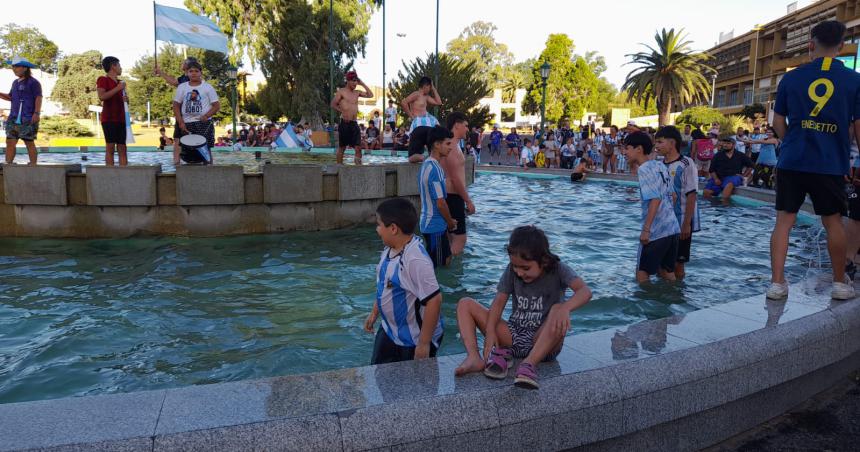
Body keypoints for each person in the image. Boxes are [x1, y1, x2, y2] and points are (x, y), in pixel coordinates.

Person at [768, 20, 858, 301]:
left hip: (793, 159)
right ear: (841, 46)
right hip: (830, 162)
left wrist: (789, 141)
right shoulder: (854, 80)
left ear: (811, 44)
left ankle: (776, 284)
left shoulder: (791, 78)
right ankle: (840, 283)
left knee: (784, 222)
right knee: (833, 222)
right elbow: (857, 127)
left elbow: (778, 121)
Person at [453, 225, 592, 389]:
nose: (519, 273)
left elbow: (585, 291)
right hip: (513, 336)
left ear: (544, 260)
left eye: (525, 268)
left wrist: (565, 308)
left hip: (544, 341)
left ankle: (528, 365)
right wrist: (490, 332)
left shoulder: (558, 269)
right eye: (515, 267)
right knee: (465, 304)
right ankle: (474, 357)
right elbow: (498, 302)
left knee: (557, 309)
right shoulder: (513, 270)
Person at [363, 197, 444, 364]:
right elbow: (384, 286)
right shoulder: (389, 250)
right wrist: (374, 313)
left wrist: (423, 344)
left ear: (393, 228)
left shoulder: (415, 260)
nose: (377, 230)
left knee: (414, 384)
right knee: (378, 375)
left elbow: (434, 300)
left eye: (379, 225)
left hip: (414, 338)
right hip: (389, 331)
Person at [623, 131, 680, 283]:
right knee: (667, 273)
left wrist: (646, 229)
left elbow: (655, 198)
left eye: (627, 148)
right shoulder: (660, 165)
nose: (624, 152)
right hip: (672, 228)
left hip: (656, 232)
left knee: (642, 274)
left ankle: (643, 305)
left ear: (639, 149)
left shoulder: (644, 169)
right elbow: (673, 196)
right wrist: (666, 217)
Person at [655, 126, 701, 280]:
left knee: (678, 263)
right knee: (661, 262)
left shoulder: (686, 164)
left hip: (681, 221)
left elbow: (692, 195)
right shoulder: (659, 165)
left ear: (672, 143)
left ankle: (678, 293)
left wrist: (687, 223)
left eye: (660, 142)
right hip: (664, 222)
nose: (657, 146)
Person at [418, 125, 457, 268]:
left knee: (442, 260)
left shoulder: (426, 165)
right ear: (436, 144)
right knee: (440, 266)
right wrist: (450, 223)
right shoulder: (436, 169)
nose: (450, 147)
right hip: (434, 226)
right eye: (447, 143)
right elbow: (440, 203)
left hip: (428, 223)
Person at [441, 112, 476, 259]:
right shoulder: (453, 148)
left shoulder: (446, 145)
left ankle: (445, 264)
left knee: (451, 237)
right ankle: (448, 268)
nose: (467, 129)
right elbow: (455, 179)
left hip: (446, 196)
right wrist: (468, 200)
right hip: (454, 197)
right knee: (460, 239)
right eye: (465, 126)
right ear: (457, 124)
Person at [172, 61, 220, 165]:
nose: (193, 73)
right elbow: (176, 105)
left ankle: (209, 171)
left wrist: (207, 115)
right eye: (191, 71)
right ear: (187, 73)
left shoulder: (208, 87)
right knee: (187, 151)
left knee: (205, 151)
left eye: (196, 71)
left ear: (201, 73)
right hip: (186, 124)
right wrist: (180, 122)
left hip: (204, 124)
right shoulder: (182, 87)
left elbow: (216, 105)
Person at [156, 57, 197, 164]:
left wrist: (160, 72)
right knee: (181, 139)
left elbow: (174, 83)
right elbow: (174, 81)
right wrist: (160, 72)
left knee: (179, 139)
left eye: (184, 62)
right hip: (185, 114)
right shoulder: (185, 77)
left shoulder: (188, 77)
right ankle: (181, 161)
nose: (181, 63)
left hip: (187, 114)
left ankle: (177, 162)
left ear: (188, 65)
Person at [1, 57, 41, 165]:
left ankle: (33, 164)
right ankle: (8, 163)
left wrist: (36, 113)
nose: (14, 69)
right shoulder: (15, 83)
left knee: (29, 142)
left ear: (25, 68)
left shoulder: (34, 82)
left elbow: (38, 97)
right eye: (13, 66)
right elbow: (10, 97)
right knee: (10, 141)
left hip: (28, 117)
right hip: (13, 118)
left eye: (17, 66)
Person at [332, 71, 373, 164]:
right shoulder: (341, 92)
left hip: (354, 123)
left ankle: (357, 168)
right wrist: (342, 111)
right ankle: (339, 167)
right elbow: (333, 104)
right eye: (353, 81)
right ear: (348, 81)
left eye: (356, 81)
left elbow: (371, 95)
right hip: (344, 123)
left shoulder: (357, 93)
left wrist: (362, 83)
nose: (355, 84)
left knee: (358, 148)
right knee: (342, 147)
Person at [96, 56, 129, 166]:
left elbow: (123, 100)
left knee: (122, 148)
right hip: (109, 119)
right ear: (113, 66)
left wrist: (126, 100)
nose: (121, 68)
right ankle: (110, 173)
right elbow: (102, 96)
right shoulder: (103, 79)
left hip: (121, 119)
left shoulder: (121, 83)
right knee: (110, 147)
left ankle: (124, 173)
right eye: (119, 65)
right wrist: (118, 88)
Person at [402, 76, 442, 163]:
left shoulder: (426, 97)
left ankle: (432, 154)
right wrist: (411, 115)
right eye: (430, 87)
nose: (430, 89)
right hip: (418, 120)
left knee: (438, 130)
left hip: (427, 118)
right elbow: (404, 102)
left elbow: (439, 102)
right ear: (425, 86)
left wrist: (434, 89)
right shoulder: (416, 94)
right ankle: (422, 155)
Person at [703, 136, 754, 202]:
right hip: (719, 177)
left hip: (733, 177)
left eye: (728, 143)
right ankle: (713, 206)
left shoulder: (740, 155)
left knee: (729, 184)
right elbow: (712, 169)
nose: (725, 145)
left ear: (733, 145)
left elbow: (751, 166)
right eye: (724, 143)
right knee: (706, 192)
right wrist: (716, 179)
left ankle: (724, 206)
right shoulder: (717, 155)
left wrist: (743, 176)